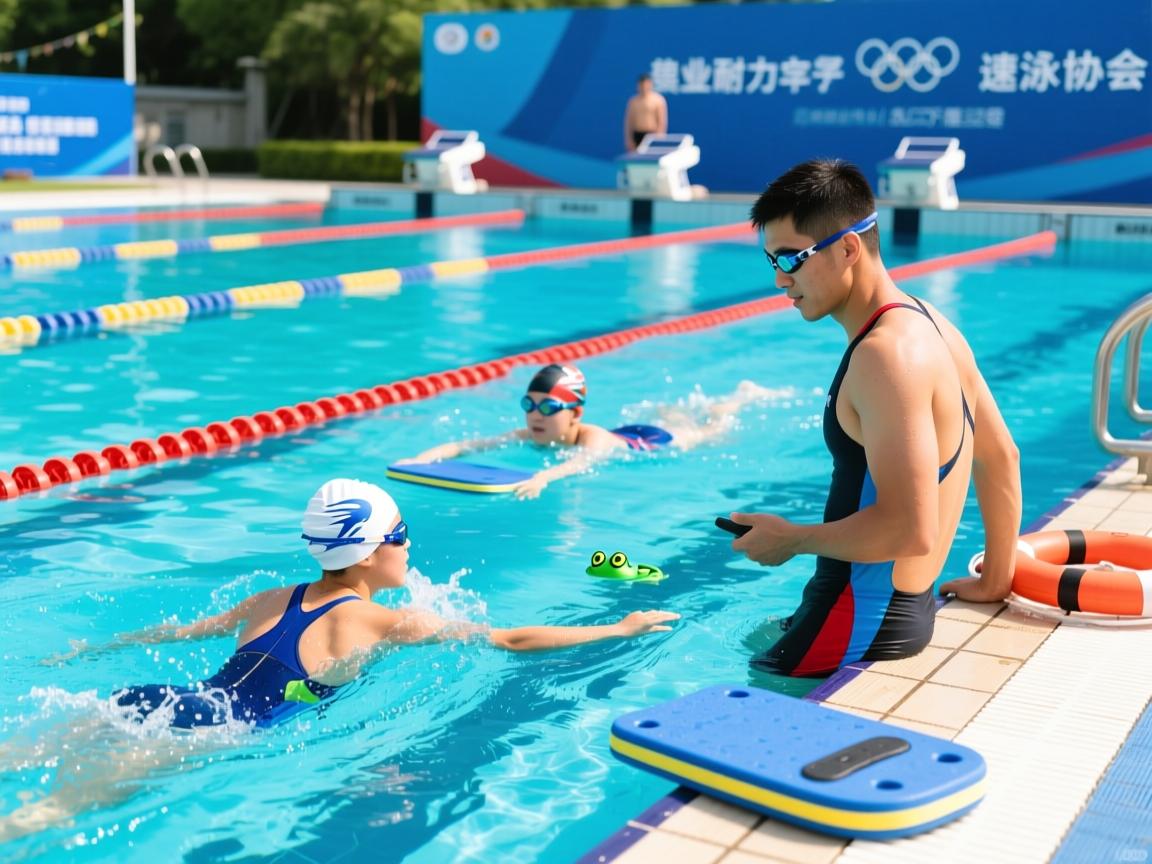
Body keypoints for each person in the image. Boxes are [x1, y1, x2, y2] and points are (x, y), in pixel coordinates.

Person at [729, 159, 1021, 677]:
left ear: (847, 247)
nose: (779, 279)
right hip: (896, 612)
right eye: (772, 260)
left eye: (792, 258)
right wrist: (996, 578)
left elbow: (911, 529)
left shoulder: (885, 357)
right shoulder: (932, 322)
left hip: (854, 626)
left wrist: (791, 539)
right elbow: (1000, 457)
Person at [400, 363, 778, 499]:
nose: (536, 415)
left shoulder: (593, 438)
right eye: (529, 405)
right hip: (628, 430)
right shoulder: (528, 434)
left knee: (710, 430)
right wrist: (421, 460)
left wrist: (543, 478)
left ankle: (739, 398)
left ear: (575, 413)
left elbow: (579, 464)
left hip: (653, 441)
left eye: (548, 407)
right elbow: (470, 445)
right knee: (678, 413)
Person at [624, 73, 668, 152]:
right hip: (637, 135)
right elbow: (629, 122)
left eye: (646, 84)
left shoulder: (658, 100)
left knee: (651, 161)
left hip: (652, 135)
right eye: (641, 85)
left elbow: (662, 121)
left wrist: (659, 136)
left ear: (650, 85)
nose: (644, 87)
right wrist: (629, 139)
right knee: (637, 161)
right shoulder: (633, 101)